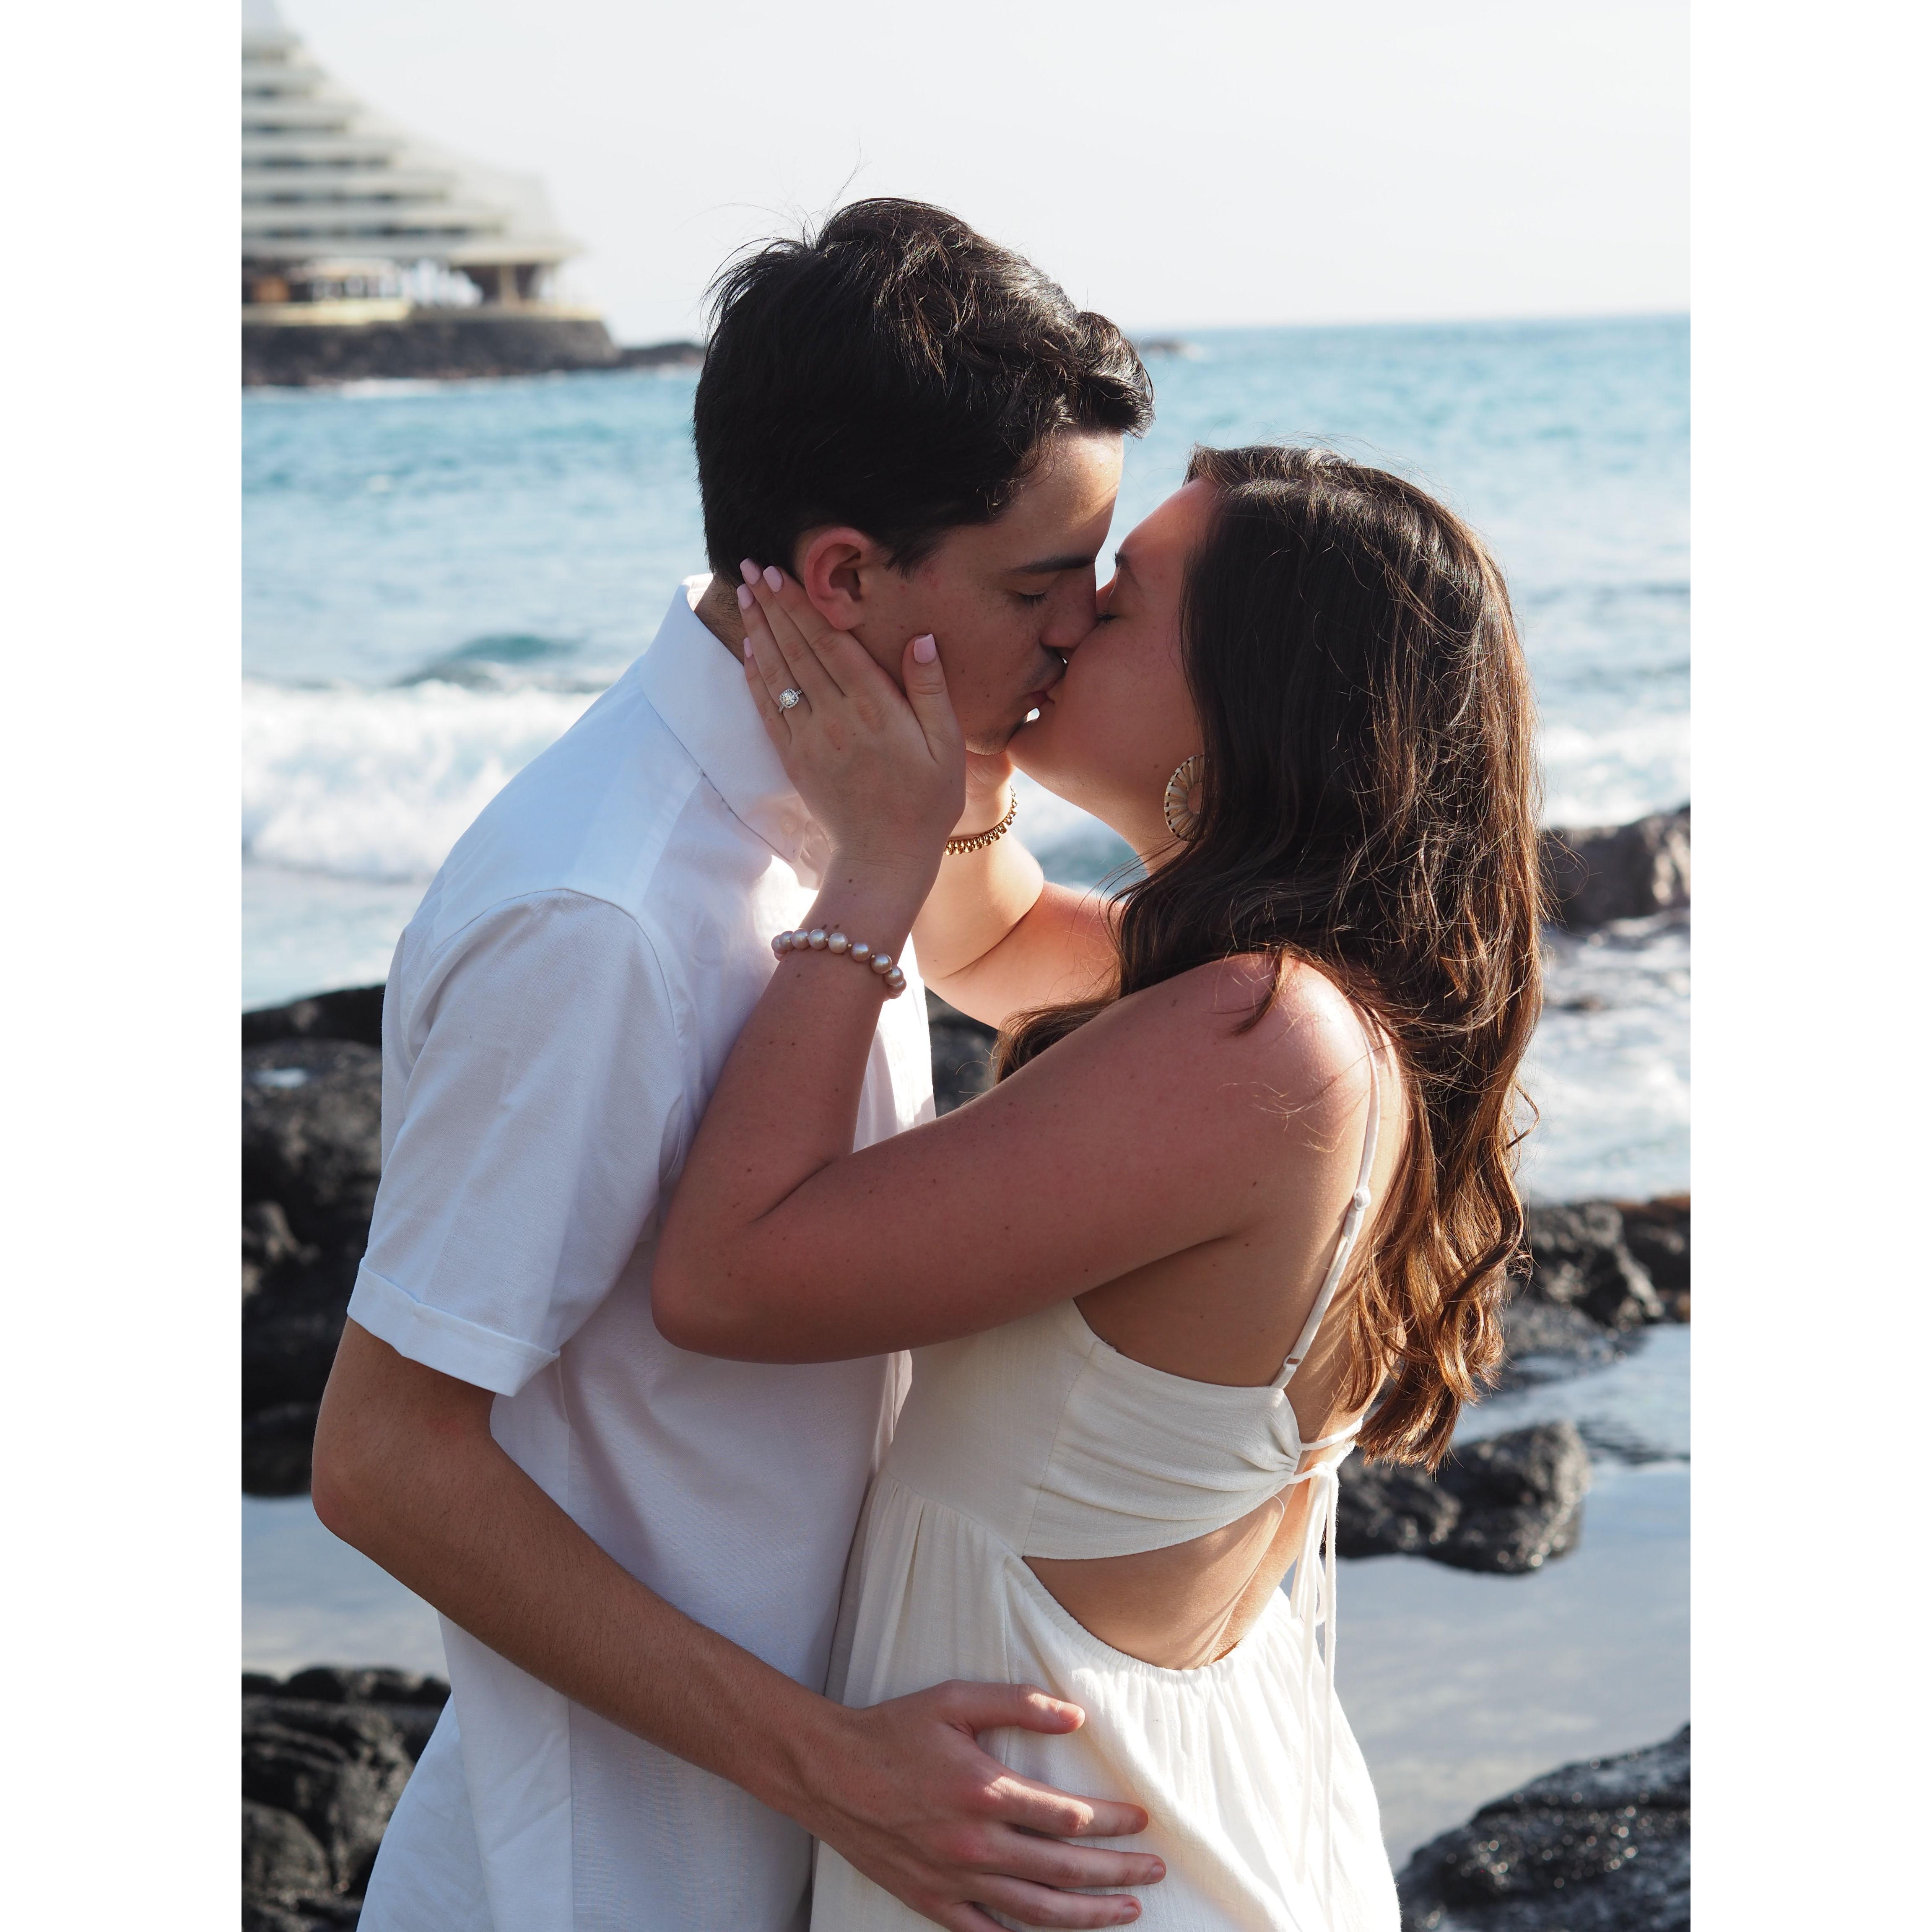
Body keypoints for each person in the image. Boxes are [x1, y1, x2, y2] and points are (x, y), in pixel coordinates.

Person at [312, 200, 1173, 1932]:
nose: (1082, 628)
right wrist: (830, 1760)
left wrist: (1367, 937)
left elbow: (1022, 956)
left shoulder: (846, 809)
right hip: (609, 1878)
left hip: (781, 1850)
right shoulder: (602, 914)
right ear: (846, 576)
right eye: (1039, 584)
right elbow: (384, 1460)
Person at [652, 444, 1546, 1930]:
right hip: (1134, 1819)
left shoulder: (1252, 1042)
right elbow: (992, 949)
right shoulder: (1298, 1007)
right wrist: (963, 749)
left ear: (1250, 699)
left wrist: (866, 871)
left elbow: (724, 1276)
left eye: (1115, 608)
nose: (1062, 625)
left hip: (1065, 1859)